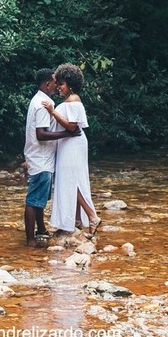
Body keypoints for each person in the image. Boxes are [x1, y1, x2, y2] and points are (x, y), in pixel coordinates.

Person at [24, 67, 80, 247]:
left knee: (40, 198)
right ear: (48, 83)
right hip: (40, 158)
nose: (57, 86)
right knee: (33, 200)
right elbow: (41, 134)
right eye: (55, 82)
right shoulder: (42, 104)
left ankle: (41, 229)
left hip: (40, 156)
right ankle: (31, 241)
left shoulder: (39, 100)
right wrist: (67, 134)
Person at [44, 63, 101, 237]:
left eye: (61, 84)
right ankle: (75, 221)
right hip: (68, 144)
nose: (59, 87)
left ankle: (92, 216)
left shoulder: (74, 100)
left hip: (73, 144)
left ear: (70, 84)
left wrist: (53, 112)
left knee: (72, 180)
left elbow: (71, 126)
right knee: (71, 179)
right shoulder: (69, 101)